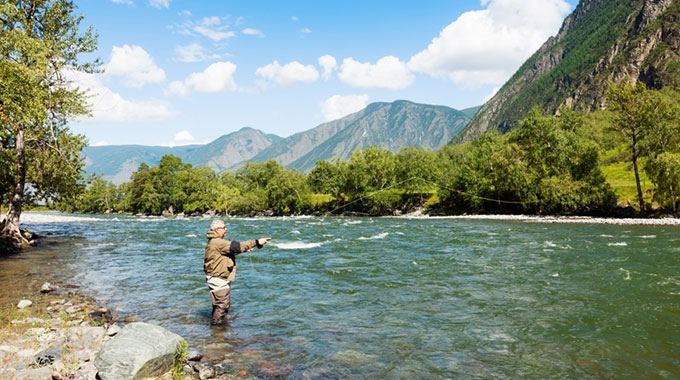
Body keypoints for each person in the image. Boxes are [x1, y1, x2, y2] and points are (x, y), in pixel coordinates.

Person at [204, 219, 271, 325]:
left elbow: (228, 251)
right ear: (217, 230)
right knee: (223, 305)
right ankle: (217, 330)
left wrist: (243, 249)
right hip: (218, 278)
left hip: (216, 276)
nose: (226, 229)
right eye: (224, 227)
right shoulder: (218, 242)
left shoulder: (215, 241)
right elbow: (236, 246)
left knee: (218, 305)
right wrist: (257, 242)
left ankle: (216, 328)